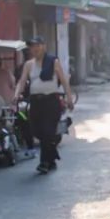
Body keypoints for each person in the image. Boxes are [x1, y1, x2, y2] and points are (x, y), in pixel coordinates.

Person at [14, 36, 75, 174]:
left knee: (48, 132)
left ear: (44, 47)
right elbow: (22, 82)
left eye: (38, 45)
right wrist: (16, 94)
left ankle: (44, 163)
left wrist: (69, 98)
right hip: (35, 102)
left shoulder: (53, 62)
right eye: (32, 46)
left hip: (51, 102)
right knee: (37, 131)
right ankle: (52, 158)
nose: (35, 49)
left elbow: (64, 81)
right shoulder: (29, 64)